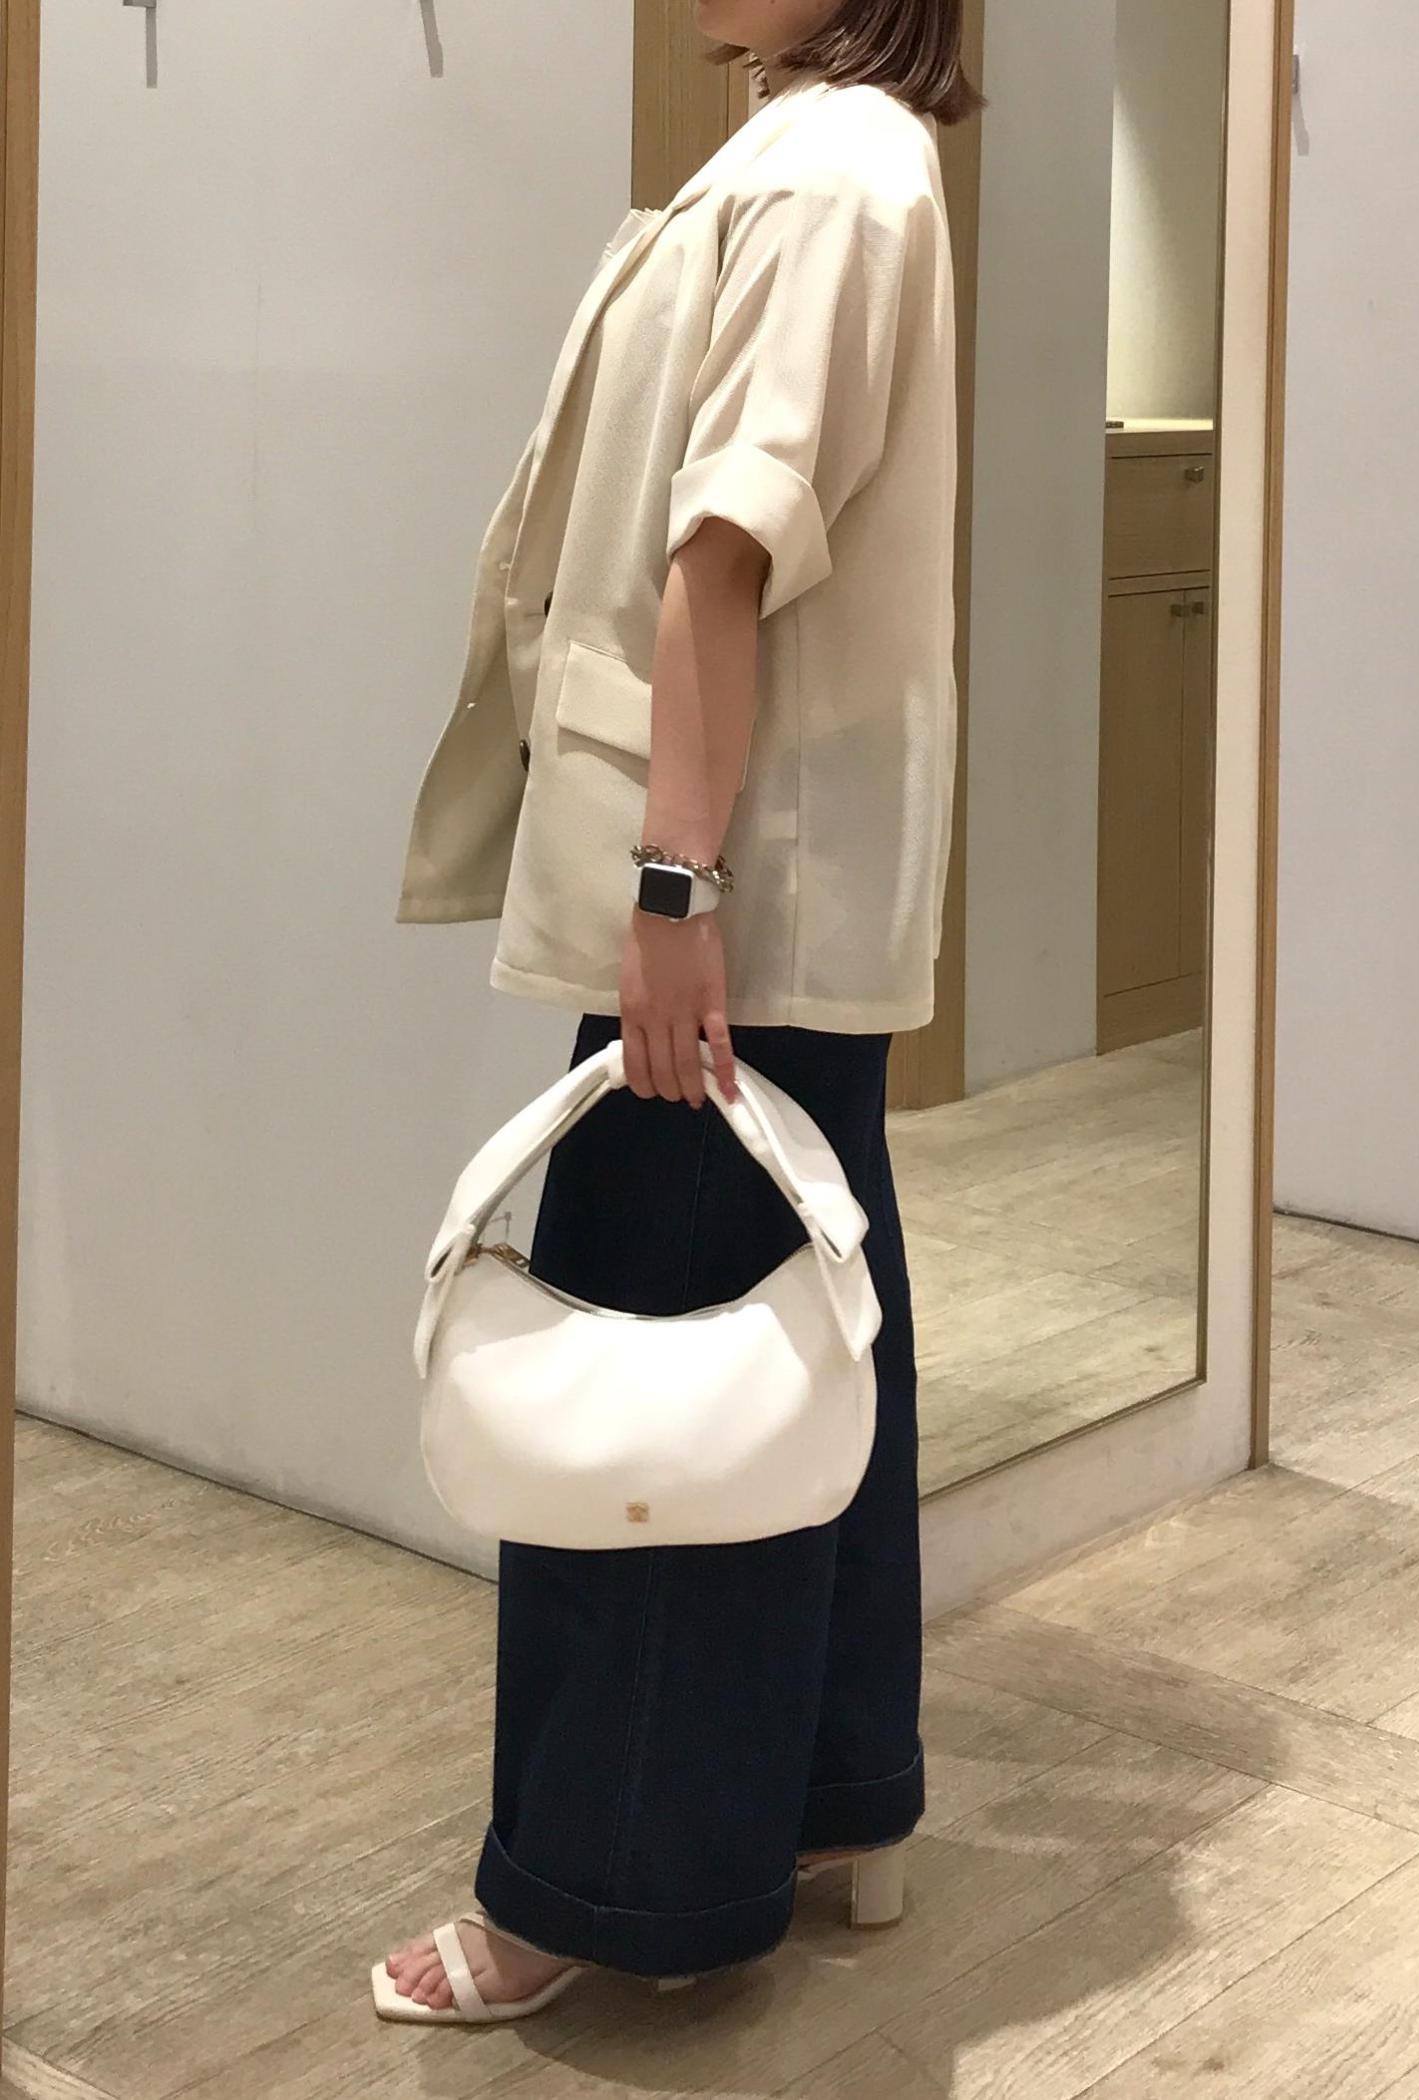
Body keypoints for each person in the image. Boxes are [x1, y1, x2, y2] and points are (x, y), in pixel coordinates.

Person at [375, 0, 978, 2023]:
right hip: (778, 899)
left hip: (733, 901)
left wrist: (673, 890)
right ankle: (831, 1795)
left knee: (643, 1391)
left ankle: (594, 1893)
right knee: (807, 1335)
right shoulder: (843, 152)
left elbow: (727, 545)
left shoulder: (824, 173)